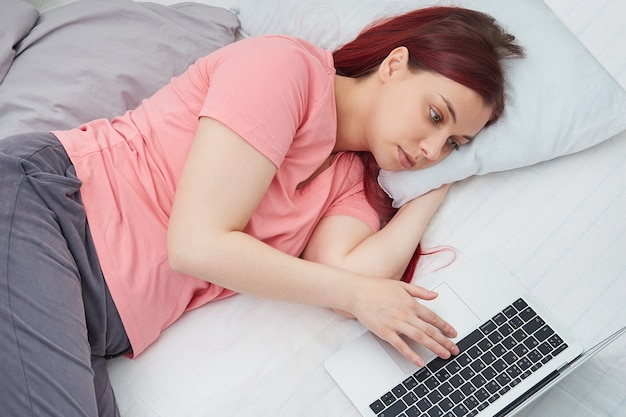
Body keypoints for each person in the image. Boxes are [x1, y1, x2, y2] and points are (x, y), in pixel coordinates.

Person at [0, 5, 523, 417]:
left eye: (454, 142)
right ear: (393, 65)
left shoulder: (348, 182)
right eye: (435, 116)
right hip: (49, 215)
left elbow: (347, 280)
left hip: (92, 322)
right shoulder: (285, 69)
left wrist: (442, 182)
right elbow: (196, 244)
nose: (432, 148)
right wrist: (361, 294)